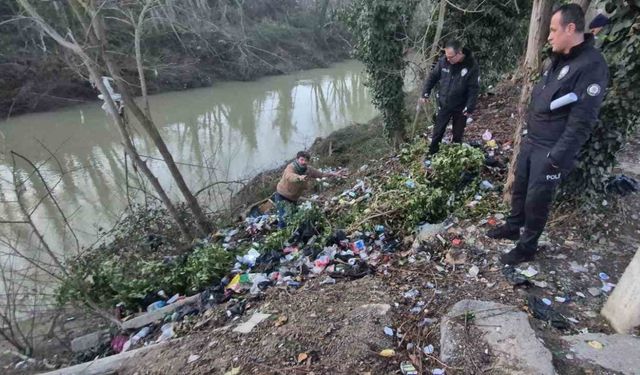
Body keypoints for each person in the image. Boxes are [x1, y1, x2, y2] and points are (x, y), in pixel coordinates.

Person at [487, 4, 609, 265]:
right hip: (533, 140)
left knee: (537, 200)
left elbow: (582, 121)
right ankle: (512, 226)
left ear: (571, 28)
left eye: (554, 30)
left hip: (552, 147)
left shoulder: (591, 65)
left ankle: (527, 246)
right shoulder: (558, 59)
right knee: (520, 189)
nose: (550, 36)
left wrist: (557, 157)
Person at [420, 40, 480, 155]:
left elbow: (473, 88)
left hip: (461, 107)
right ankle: (432, 153)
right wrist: (425, 92)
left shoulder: (471, 66)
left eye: (451, 57)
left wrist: (470, 107)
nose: (448, 59)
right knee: (438, 131)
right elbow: (433, 77)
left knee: (458, 134)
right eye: (446, 56)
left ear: (459, 53)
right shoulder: (444, 62)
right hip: (444, 103)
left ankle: (455, 155)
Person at [274, 151, 343, 229]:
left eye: (306, 160)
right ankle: (281, 232)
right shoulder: (291, 167)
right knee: (284, 217)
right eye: (302, 160)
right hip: (282, 195)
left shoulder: (308, 170)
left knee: (292, 217)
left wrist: (333, 174)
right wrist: (299, 178)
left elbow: (321, 174)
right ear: (297, 159)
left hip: (293, 198)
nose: (304, 162)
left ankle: (290, 233)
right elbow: (289, 176)